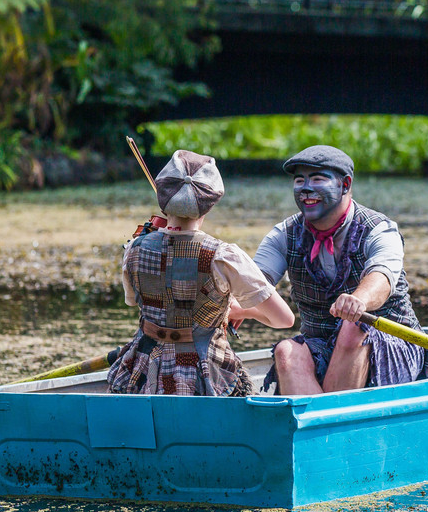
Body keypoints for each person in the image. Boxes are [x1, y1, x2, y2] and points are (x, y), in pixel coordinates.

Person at [107, 149, 295, 396]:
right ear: (210, 203)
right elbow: (284, 320)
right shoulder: (223, 256)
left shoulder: (134, 248)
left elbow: (133, 301)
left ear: (163, 201)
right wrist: (242, 310)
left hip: (141, 375)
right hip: (205, 378)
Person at [253, 145, 428, 394]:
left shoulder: (380, 230)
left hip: (393, 345)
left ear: (345, 184)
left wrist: (359, 300)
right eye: (299, 180)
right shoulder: (284, 234)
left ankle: (329, 421)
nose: (305, 188)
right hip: (321, 345)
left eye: (317, 179)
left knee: (352, 327)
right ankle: (316, 428)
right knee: (286, 351)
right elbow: (255, 281)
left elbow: (382, 275)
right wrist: (233, 303)